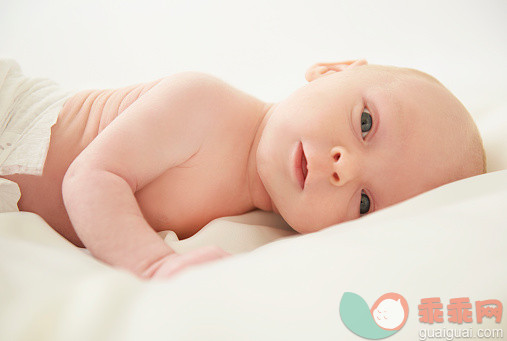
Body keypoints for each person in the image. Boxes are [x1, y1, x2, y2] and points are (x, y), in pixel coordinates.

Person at [0, 58, 486, 279]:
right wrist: (154, 264)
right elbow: (89, 177)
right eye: (365, 123)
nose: (344, 168)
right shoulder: (204, 104)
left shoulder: (259, 222)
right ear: (333, 71)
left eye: (364, 203)